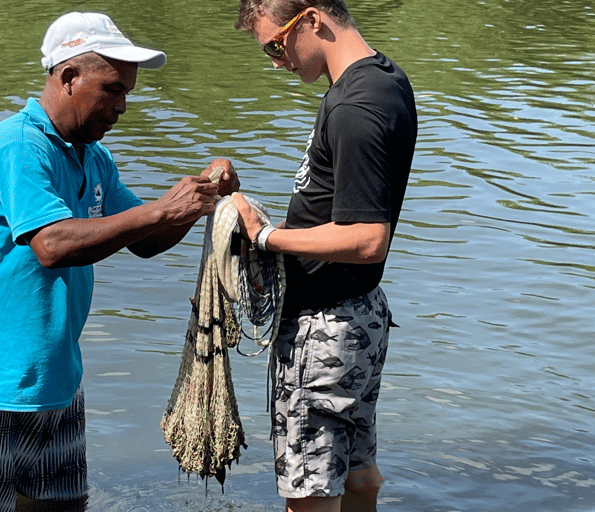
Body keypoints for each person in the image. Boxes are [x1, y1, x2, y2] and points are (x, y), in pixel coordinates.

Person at [0, 11, 238, 512]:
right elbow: (52, 245)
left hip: (54, 377)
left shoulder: (92, 157)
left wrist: (199, 202)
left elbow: (146, 240)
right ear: (69, 78)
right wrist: (162, 208)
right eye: (112, 89)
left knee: (63, 505)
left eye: (126, 92)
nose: (123, 107)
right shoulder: (18, 146)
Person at [231, 1, 417, 511]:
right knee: (358, 475)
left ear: (312, 19)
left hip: (324, 331)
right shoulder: (385, 79)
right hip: (359, 314)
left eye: (276, 44)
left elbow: (366, 238)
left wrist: (266, 236)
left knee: (310, 496)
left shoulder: (356, 105)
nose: (275, 60)